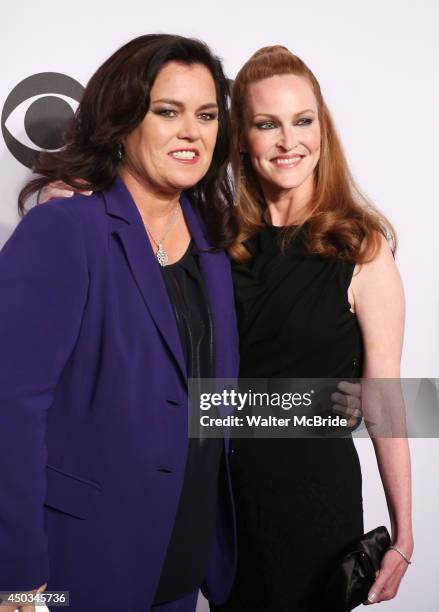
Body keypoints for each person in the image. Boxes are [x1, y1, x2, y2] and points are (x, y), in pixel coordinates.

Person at [0, 34, 240, 612]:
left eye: (206, 115)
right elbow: (10, 406)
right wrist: (17, 580)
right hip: (74, 569)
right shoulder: (65, 230)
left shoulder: (213, 249)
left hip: (179, 575)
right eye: (167, 112)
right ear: (122, 119)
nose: (192, 131)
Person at [210, 46, 413, 611]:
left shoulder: (361, 249)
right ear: (243, 140)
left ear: (323, 129)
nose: (288, 141)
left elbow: (385, 400)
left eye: (303, 121)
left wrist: (405, 534)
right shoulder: (215, 245)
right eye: (266, 124)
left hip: (315, 507)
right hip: (220, 503)